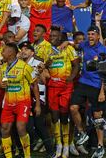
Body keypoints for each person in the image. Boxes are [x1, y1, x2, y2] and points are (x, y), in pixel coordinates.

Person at [69, 25, 106, 158]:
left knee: (98, 116)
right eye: (89, 34)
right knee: (73, 107)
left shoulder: (104, 51)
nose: (91, 36)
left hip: (97, 85)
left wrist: (102, 91)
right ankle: (82, 132)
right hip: (83, 82)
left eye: (93, 34)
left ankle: (100, 146)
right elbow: (75, 45)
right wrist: (66, 42)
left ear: (98, 36)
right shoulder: (84, 45)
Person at [0, 43, 39, 158]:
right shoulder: (3, 67)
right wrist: (0, 84)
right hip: (8, 103)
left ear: (10, 53)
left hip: (23, 102)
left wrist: (37, 104)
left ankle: (27, 156)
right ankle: (9, 156)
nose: (1, 53)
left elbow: (34, 85)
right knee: (4, 129)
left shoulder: (25, 67)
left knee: (20, 127)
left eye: (3, 51)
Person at [43, 27, 79, 158]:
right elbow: (43, 66)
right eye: (50, 35)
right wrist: (47, 63)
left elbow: (76, 64)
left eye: (54, 36)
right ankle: (58, 144)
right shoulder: (46, 49)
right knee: (54, 116)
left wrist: (71, 78)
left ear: (60, 38)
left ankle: (66, 145)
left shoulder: (68, 48)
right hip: (52, 86)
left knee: (64, 116)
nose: (51, 38)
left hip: (65, 87)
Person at [18, 42, 54, 157]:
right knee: (25, 126)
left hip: (38, 97)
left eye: (27, 49)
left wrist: (39, 72)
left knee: (39, 125)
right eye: (22, 49)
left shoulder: (38, 63)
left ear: (32, 53)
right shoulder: (18, 64)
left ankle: (51, 151)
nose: (24, 51)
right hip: (23, 97)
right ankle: (25, 150)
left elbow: (44, 81)